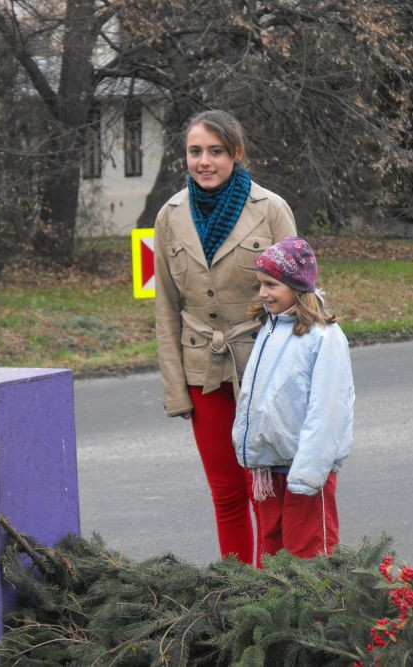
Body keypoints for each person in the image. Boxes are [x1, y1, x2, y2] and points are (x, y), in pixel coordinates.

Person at [154, 109, 296, 566]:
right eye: (196, 152)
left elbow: (299, 299)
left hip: (263, 367)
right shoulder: (170, 215)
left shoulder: (270, 209)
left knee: (266, 490)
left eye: (215, 151)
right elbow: (166, 312)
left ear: (236, 154)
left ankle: (271, 593)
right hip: (203, 370)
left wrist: (297, 379)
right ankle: (235, 596)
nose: (204, 161)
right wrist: (176, 391)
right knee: (226, 493)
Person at [232, 236, 355, 559]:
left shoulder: (325, 338)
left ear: (297, 286)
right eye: (260, 284)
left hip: (305, 472)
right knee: (271, 555)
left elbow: (329, 410)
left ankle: (316, 613)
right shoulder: (270, 328)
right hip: (269, 469)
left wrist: (308, 474)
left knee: (308, 554)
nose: (263, 293)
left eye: (271, 285)